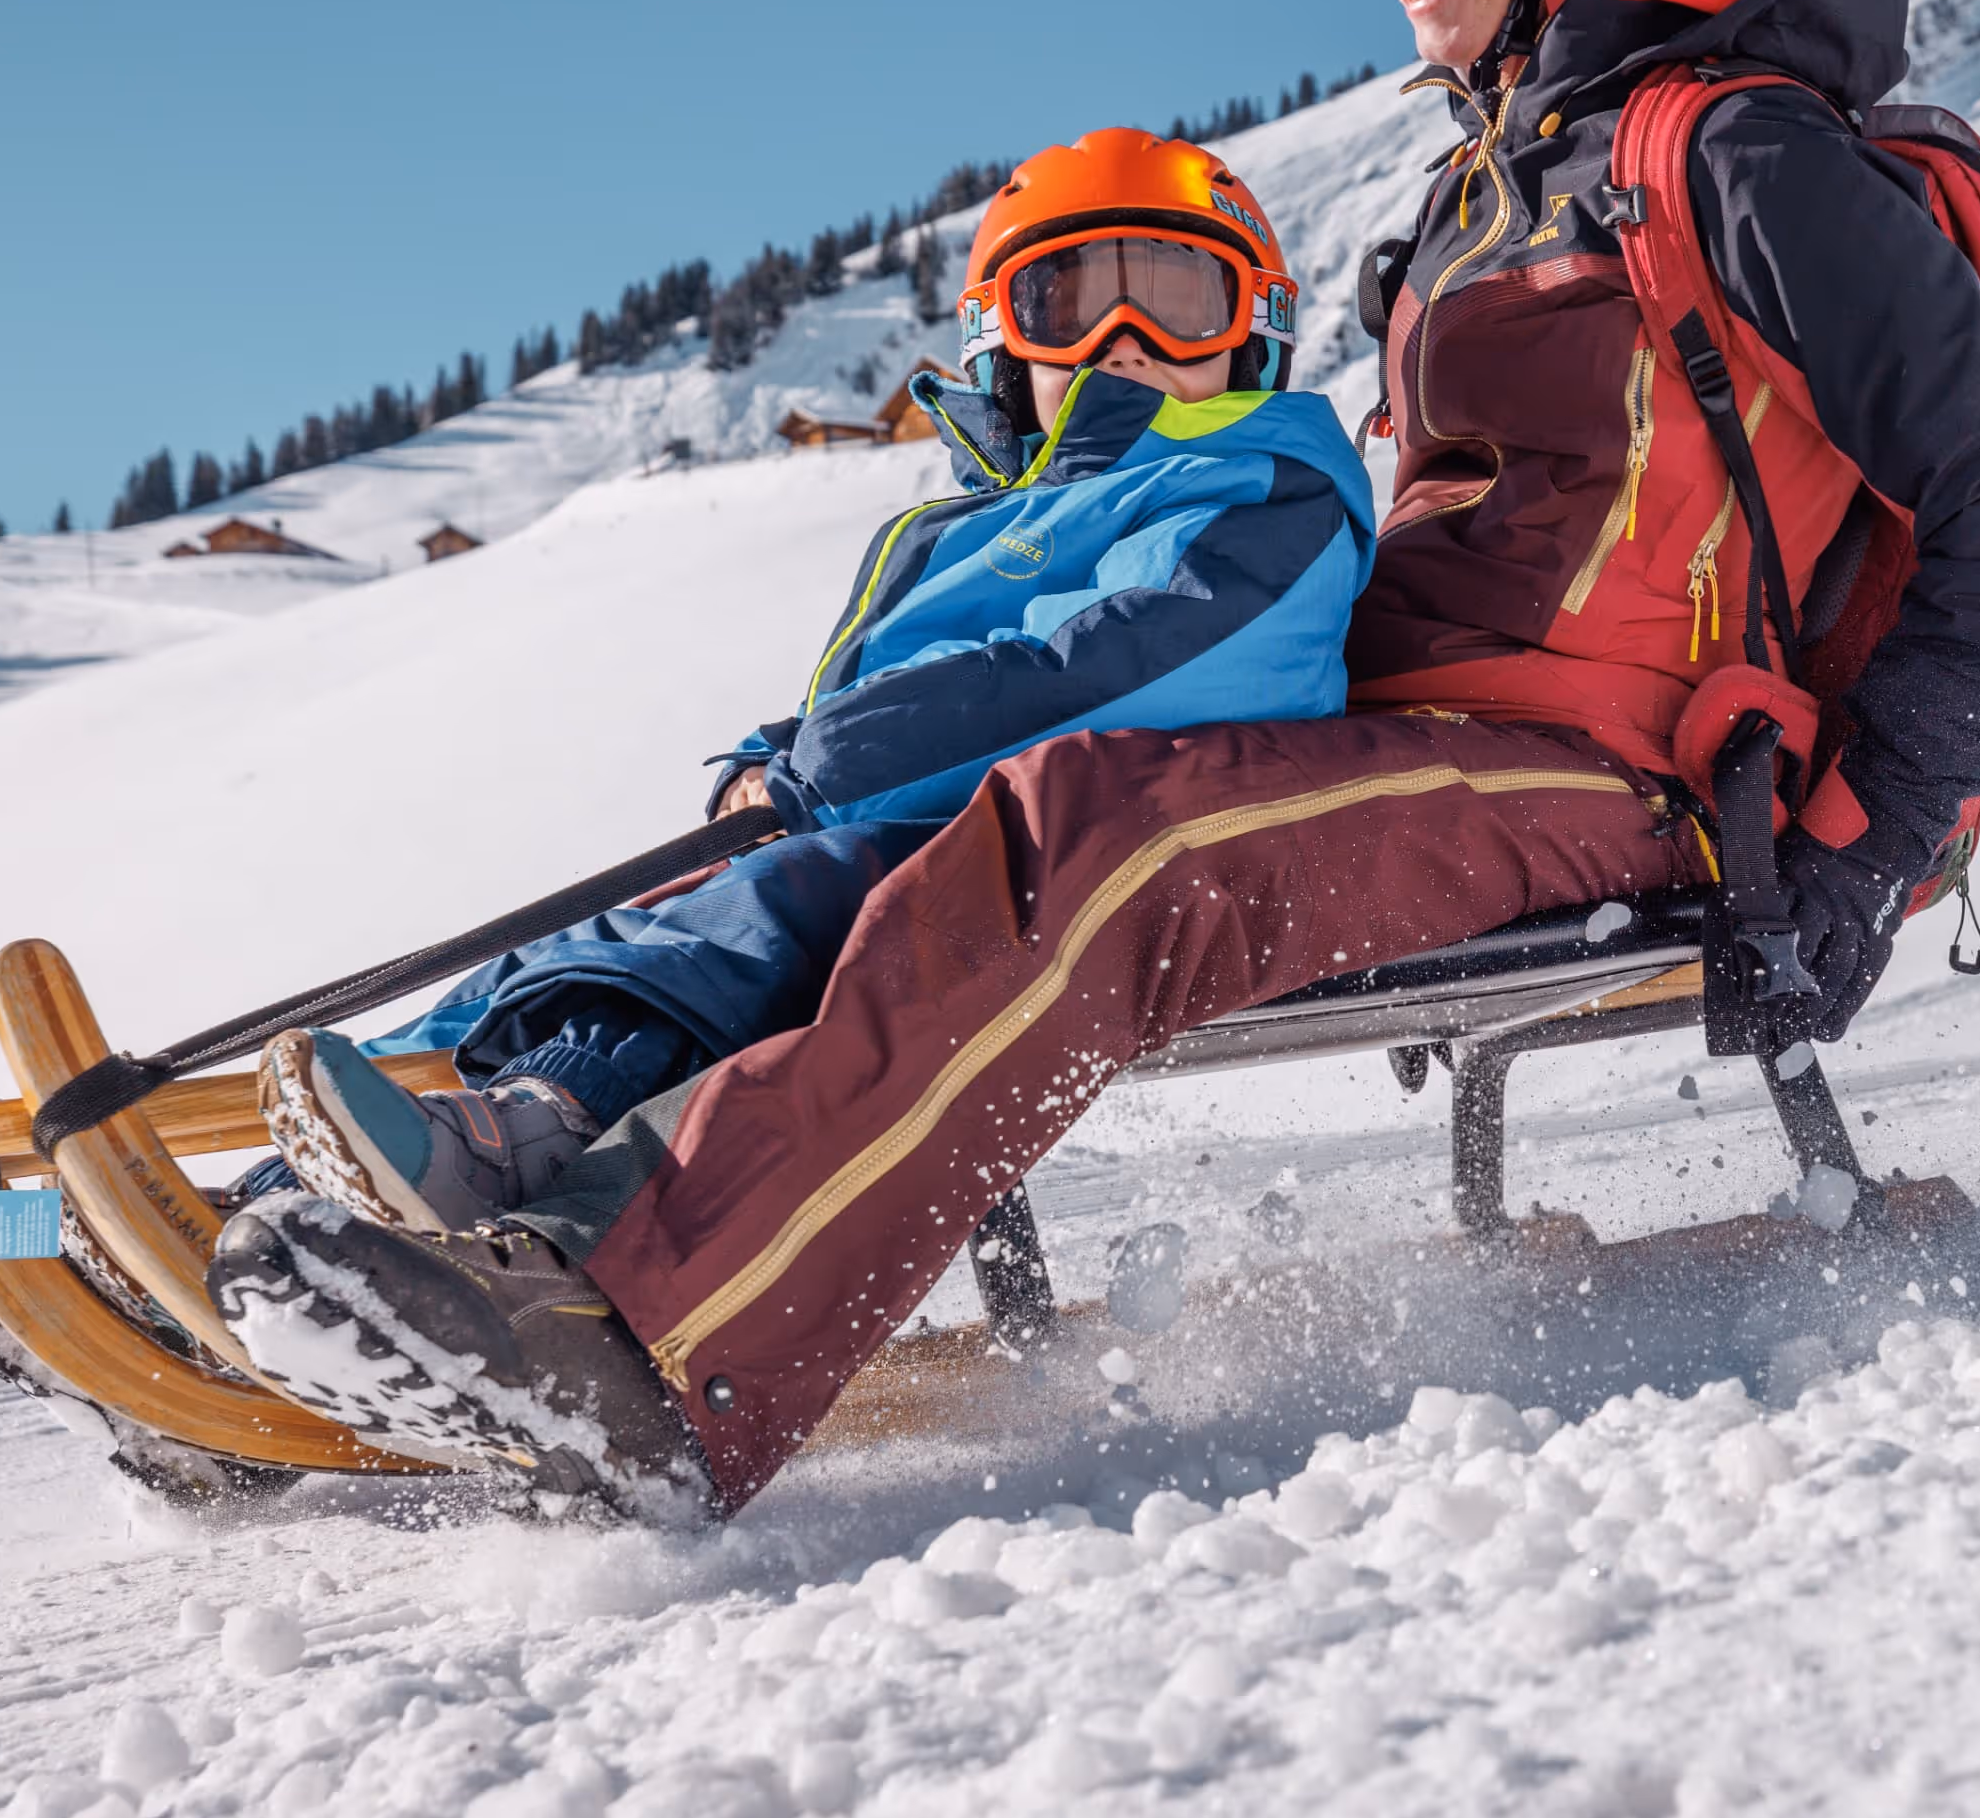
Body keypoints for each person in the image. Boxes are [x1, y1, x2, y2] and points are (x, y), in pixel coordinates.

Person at [207, 0, 1980, 1518]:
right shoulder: (1503, 172)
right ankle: (455, 1200)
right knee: (892, 836)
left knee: (1116, 841)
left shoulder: (1735, 155)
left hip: (1634, 780)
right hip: (1412, 753)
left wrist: (1858, 859)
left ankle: (642, 1348)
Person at [250, 124, 1375, 1243]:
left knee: (774, 907)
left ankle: (521, 1136)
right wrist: (776, 753)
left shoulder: (1264, 489)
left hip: (1082, 849)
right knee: (585, 939)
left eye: (1180, 303)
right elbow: (911, 687)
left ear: (1257, 330)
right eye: (1065, 304)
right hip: (933, 814)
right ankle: (287, 1184)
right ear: (1000, 340)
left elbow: (1120, 663)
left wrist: (827, 768)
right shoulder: (983, 521)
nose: (1121, 341)